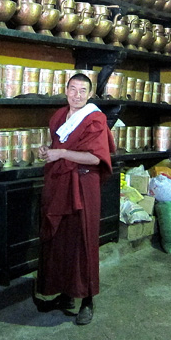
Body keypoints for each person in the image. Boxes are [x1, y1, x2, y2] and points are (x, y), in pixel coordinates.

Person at [36, 72, 114, 325]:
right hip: (60, 183)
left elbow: (95, 158)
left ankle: (88, 300)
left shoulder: (95, 119)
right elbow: (58, 148)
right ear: (66, 90)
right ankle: (65, 294)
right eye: (73, 89)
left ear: (90, 94)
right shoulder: (60, 116)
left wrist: (60, 154)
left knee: (83, 238)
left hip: (83, 183)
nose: (77, 95)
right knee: (59, 238)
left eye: (83, 91)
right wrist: (48, 152)